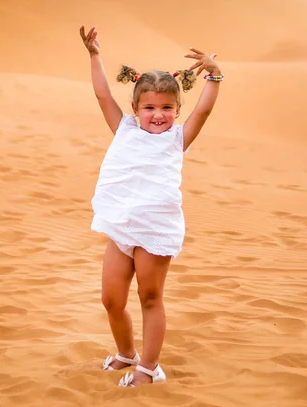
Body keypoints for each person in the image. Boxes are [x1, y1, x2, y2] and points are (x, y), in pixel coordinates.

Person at [79, 25, 222, 387]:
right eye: (149, 107)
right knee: (111, 299)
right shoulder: (124, 128)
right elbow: (101, 96)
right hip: (123, 225)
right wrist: (95, 55)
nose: (158, 115)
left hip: (156, 229)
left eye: (167, 108)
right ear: (135, 109)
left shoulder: (177, 138)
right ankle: (126, 353)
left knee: (149, 296)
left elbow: (203, 113)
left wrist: (214, 76)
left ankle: (149, 368)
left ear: (176, 109)